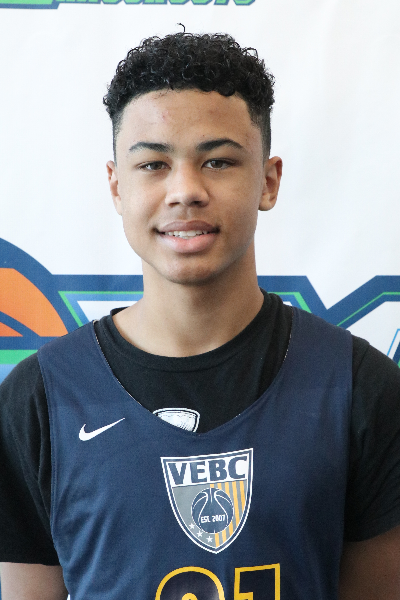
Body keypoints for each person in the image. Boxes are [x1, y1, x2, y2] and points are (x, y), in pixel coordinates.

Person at [1, 32, 400, 600]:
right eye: (153, 164)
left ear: (268, 180)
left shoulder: (361, 388)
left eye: (218, 161)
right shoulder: (38, 402)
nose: (185, 190)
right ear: (116, 186)